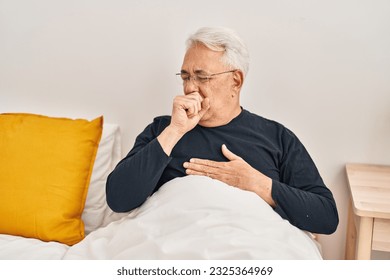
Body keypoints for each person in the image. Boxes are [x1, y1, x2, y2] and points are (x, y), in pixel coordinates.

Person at [106, 27, 339, 234]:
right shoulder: (163, 130)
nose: (189, 87)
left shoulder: (277, 138)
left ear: (236, 81)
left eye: (201, 77)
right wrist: (175, 131)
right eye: (185, 76)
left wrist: (256, 183)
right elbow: (118, 199)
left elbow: (326, 217)